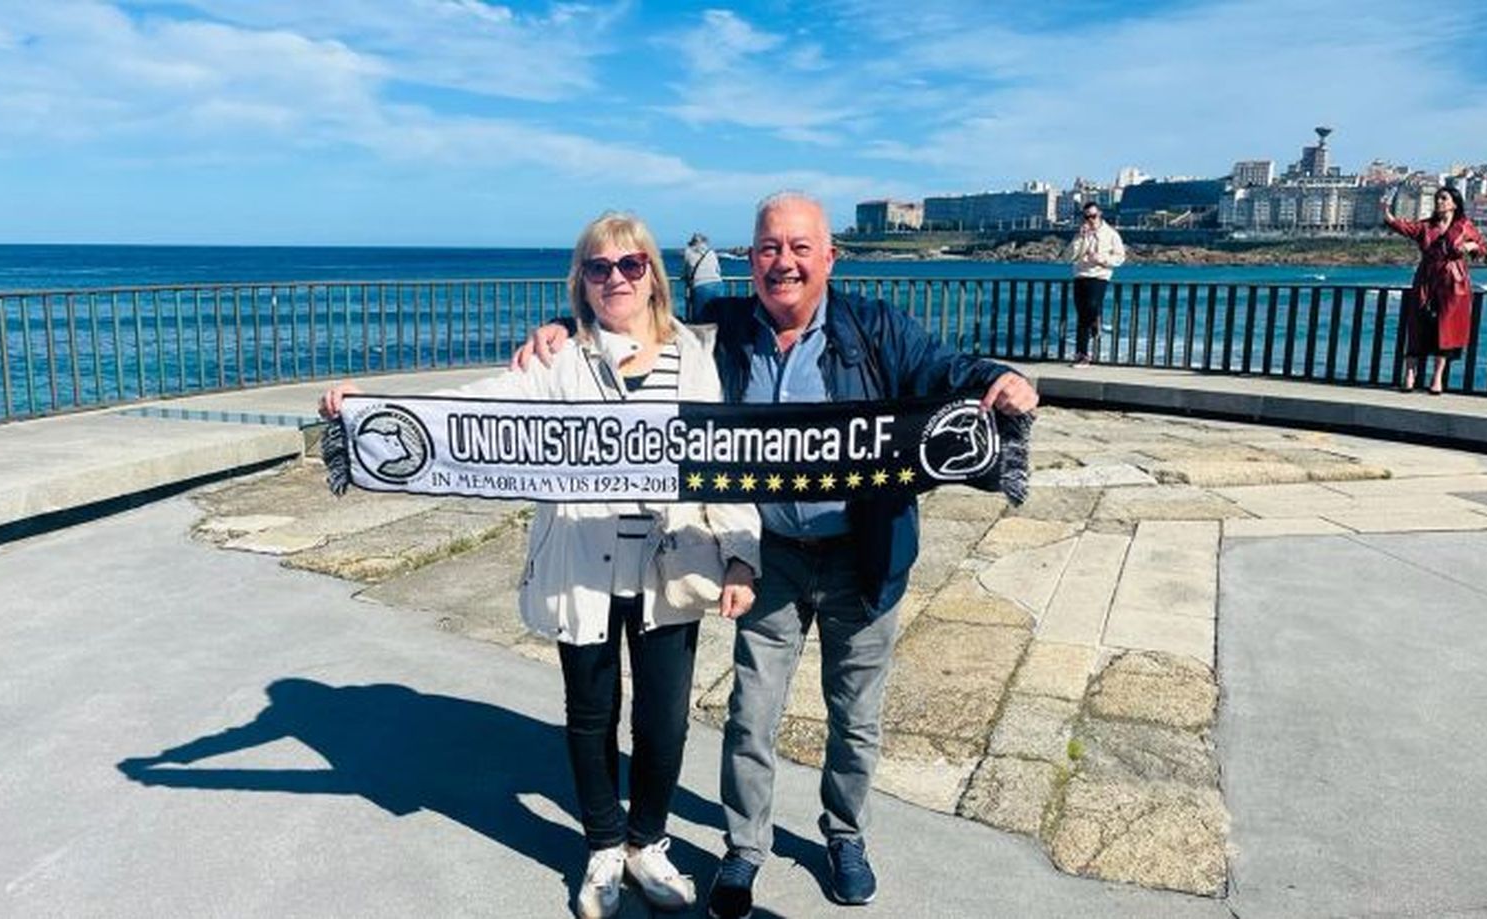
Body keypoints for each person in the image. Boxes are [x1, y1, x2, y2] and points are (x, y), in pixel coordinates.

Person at [515, 193, 1038, 917]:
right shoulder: (725, 329)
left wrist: (996, 379)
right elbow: (631, 323)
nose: (781, 262)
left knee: (854, 715)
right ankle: (743, 850)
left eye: (798, 248)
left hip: (864, 554)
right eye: (766, 248)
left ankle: (845, 836)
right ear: (750, 260)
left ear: (829, 256)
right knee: (751, 715)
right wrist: (554, 332)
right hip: (776, 558)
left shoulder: (875, 328)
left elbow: (944, 370)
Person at [321, 212, 761, 919]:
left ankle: (648, 842)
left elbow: (721, 464)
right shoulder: (557, 359)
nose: (615, 278)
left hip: (668, 567)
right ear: (580, 281)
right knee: (589, 716)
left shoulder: (692, 353)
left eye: (629, 264)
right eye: (598, 267)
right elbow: (476, 412)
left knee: (665, 721)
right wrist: (372, 410)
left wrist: (741, 554)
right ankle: (602, 845)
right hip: (581, 563)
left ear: (652, 271)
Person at [1384, 186, 1487, 395]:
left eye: (1443, 198)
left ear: (1454, 204)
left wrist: (1471, 247)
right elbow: (1401, 226)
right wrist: (1386, 211)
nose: (1439, 202)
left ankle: (1437, 378)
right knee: (1418, 324)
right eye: (1437, 198)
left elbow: (1483, 250)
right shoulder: (1425, 226)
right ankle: (1410, 375)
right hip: (1427, 278)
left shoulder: (1464, 226)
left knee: (1446, 329)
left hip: (1454, 282)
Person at [1061, 201, 1125, 367]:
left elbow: (1120, 258)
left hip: (1099, 275)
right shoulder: (1081, 234)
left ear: (1100, 214)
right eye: (1086, 216)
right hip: (1080, 275)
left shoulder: (1111, 234)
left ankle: (1095, 319)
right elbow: (1068, 257)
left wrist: (1101, 259)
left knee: (1091, 305)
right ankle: (1082, 354)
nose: (1090, 219)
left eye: (1093, 216)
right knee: (1082, 315)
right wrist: (1079, 238)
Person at [683, 231, 725, 316]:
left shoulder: (689, 253)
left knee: (700, 317)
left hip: (701, 285)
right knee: (717, 315)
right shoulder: (711, 252)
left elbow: (687, 271)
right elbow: (718, 270)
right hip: (718, 284)